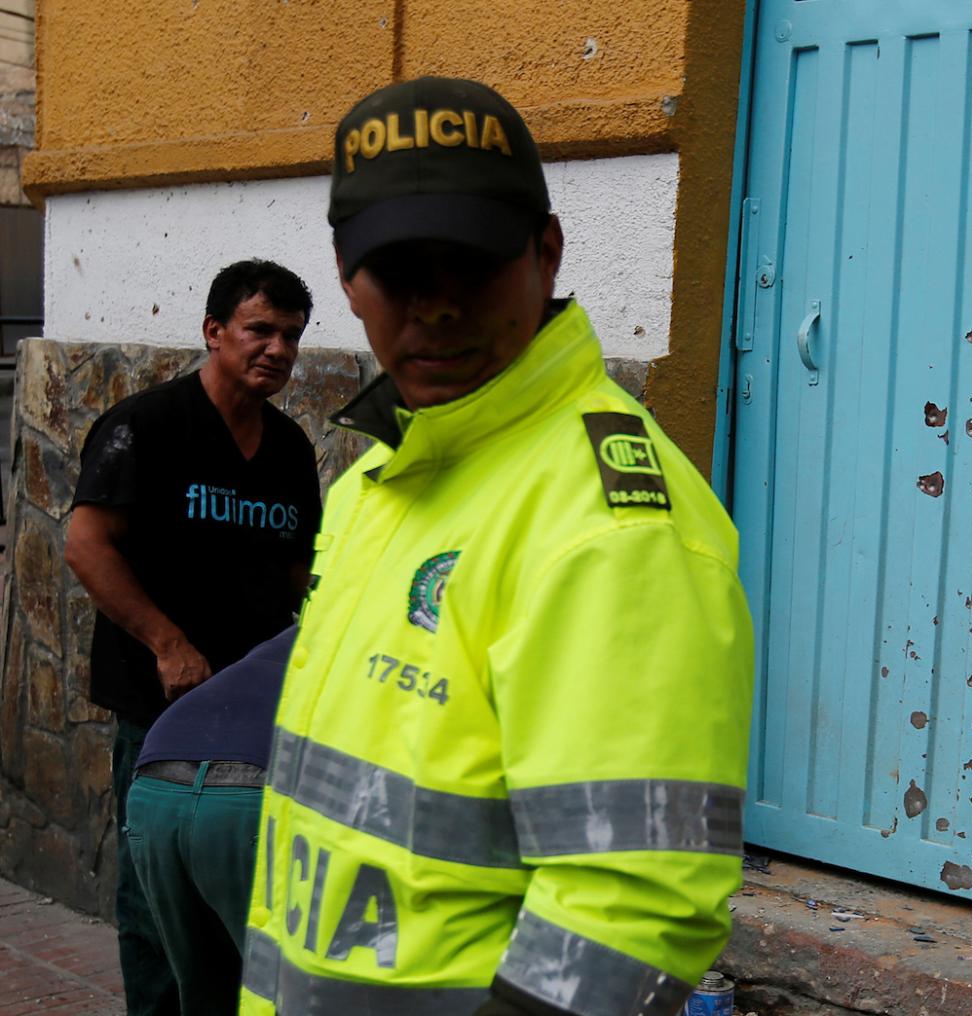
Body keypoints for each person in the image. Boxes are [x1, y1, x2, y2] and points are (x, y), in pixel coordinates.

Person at [239, 76, 754, 1016]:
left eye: (469, 265)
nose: (435, 310)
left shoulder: (612, 527)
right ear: (347, 277)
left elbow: (631, 908)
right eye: (400, 274)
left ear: (546, 253)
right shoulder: (378, 481)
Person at [64, 259, 323, 1016]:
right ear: (214, 332)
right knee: (155, 898)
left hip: (252, 717)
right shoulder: (145, 426)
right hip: (160, 708)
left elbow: (303, 568)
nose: (277, 349)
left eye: (292, 337)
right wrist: (168, 644)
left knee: (248, 894)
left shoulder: (289, 449)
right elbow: (86, 545)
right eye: (259, 330)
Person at [126, 628, 296, 1016]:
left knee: (204, 991)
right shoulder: (377, 648)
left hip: (155, 788)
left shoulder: (275, 643)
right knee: (279, 992)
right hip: (246, 794)